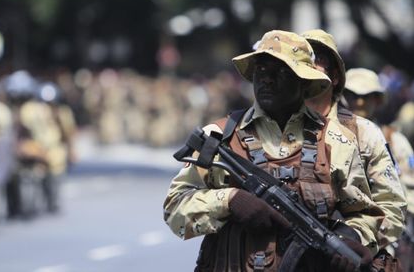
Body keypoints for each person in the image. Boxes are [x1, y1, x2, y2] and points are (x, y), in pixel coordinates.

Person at [163, 30, 381, 272]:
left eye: (281, 72)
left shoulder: (337, 141)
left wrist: (351, 237)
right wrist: (229, 201)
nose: (266, 79)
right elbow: (175, 208)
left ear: (303, 81)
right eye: (261, 70)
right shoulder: (220, 136)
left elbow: (366, 213)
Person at [302, 30, 407, 260]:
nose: (307, 64)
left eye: (317, 58)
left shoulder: (365, 132)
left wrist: (355, 240)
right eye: (300, 57)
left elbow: (393, 207)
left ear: (336, 76)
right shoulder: (276, 126)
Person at [344, 67, 414, 270]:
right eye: (353, 95)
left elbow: (410, 193)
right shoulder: (329, 137)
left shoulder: (394, 140)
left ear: (377, 100)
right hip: (343, 238)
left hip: (386, 242)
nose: (359, 102)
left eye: (366, 96)